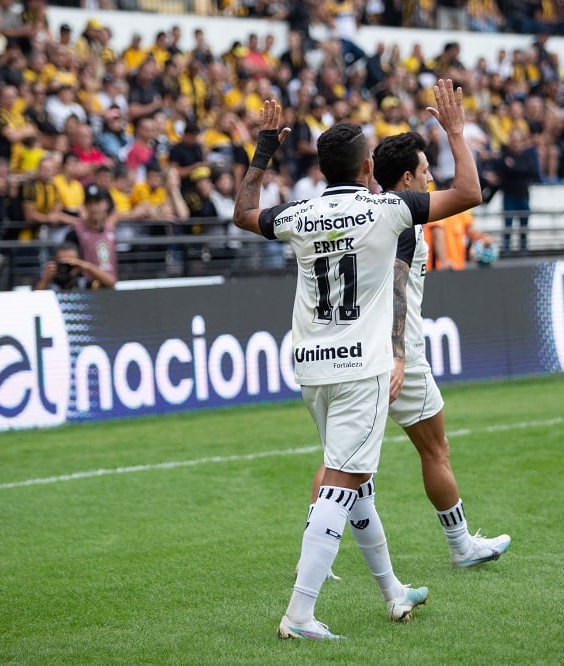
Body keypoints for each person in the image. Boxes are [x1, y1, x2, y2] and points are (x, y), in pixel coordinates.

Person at [232, 79, 482, 640]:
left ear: (322, 170)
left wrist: (264, 149)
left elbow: (243, 212)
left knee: (357, 480)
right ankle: (299, 613)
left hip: (311, 365)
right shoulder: (388, 210)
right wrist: (457, 132)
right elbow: (468, 194)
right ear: (368, 164)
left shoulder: (297, 215)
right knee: (343, 483)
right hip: (360, 368)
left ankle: (392, 591)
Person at [308, 130, 511, 571]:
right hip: (399, 357)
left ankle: (313, 554)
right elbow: (400, 284)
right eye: (425, 172)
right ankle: (460, 546)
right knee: (434, 450)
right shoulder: (397, 219)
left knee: (339, 461)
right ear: (406, 178)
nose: (431, 179)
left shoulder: (363, 214)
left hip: (349, 351)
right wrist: (400, 354)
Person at [494, 129, 538, 257]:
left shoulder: (526, 157)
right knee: (508, 225)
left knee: (524, 225)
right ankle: (506, 249)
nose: (516, 144)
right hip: (509, 195)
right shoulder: (505, 156)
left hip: (523, 195)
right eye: (513, 141)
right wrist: (516, 169)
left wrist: (513, 168)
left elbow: (531, 171)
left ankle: (524, 248)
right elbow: (503, 171)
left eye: (518, 141)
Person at [34, 241, 114, 291]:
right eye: (62, 264)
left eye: (71, 264)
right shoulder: (46, 283)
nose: (66, 267)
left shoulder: (83, 284)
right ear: (55, 262)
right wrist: (45, 280)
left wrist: (87, 266)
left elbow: (110, 284)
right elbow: (33, 301)